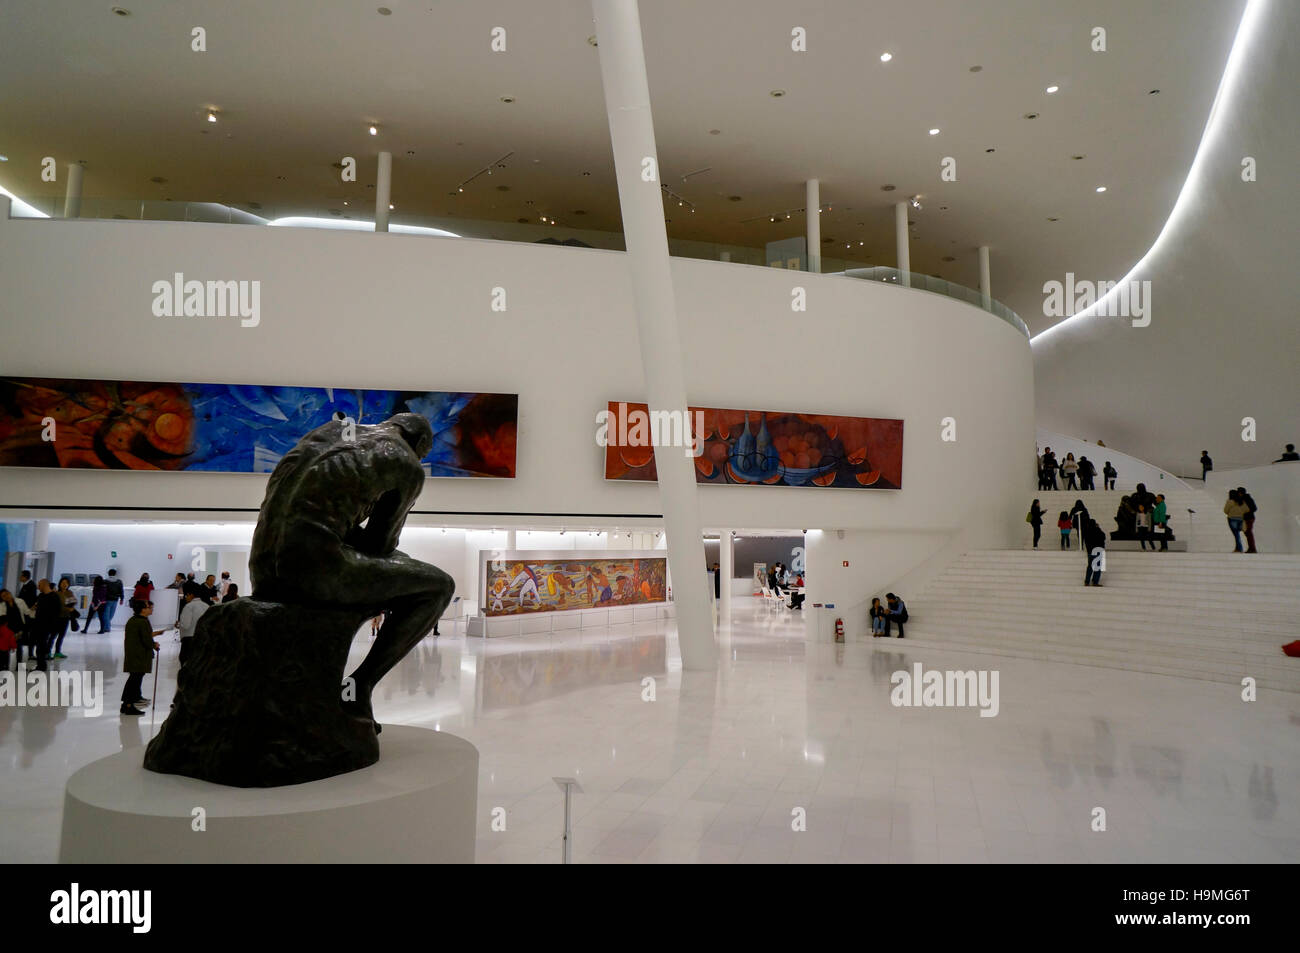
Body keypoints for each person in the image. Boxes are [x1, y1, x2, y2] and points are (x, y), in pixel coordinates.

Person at [120, 599, 162, 716]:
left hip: (134, 655)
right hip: (139, 656)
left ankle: (126, 704)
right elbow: (147, 639)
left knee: (133, 679)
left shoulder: (133, 620)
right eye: (148, 607)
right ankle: (128, 705)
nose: (150, 609)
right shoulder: (142, 622)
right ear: (143, 609)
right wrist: (154, 645)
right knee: (134, 680)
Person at [32, 579, 62, 671]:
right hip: (38, 625)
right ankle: (41, 665)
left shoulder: (54, 597)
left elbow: (56, 613)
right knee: (39, 646)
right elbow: (37, 607)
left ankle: (41, 666)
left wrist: (53, 627)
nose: (38, 587)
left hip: (47, 626)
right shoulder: (41, 596)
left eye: (39, 585)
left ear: (45, 585)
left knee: (41, 647)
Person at [0, 588, 26, 672]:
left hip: (20, 629)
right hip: (8, 631)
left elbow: (27, 612)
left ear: (10, 593)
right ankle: (5, 667)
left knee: (19, 648)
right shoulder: (2, 605)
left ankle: (20, 667)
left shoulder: (20, 601)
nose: (6, 596)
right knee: (5, 649)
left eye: (7, 594)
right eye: (3, 596)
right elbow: (2, 619)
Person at [1083, 518, 1107, 587]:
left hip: (1090, 551)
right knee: (1097, 567)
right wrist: (1098, 528)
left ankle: (1087, 581)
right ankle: (1095, 582)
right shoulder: (1097, 530)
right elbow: (1103, 536)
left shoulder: (1086, 531)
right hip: (1098, 550)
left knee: (1090, 566)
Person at [1237, 486, 1258, 553]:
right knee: (1248, 533)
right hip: (1247, 518)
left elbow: (1254, 508)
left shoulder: (1247, 499)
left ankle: (1252, 548)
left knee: (1248, 533)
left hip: (1249, 518)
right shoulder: (1243, 499)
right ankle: (1251, 548)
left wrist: (1246, 511)